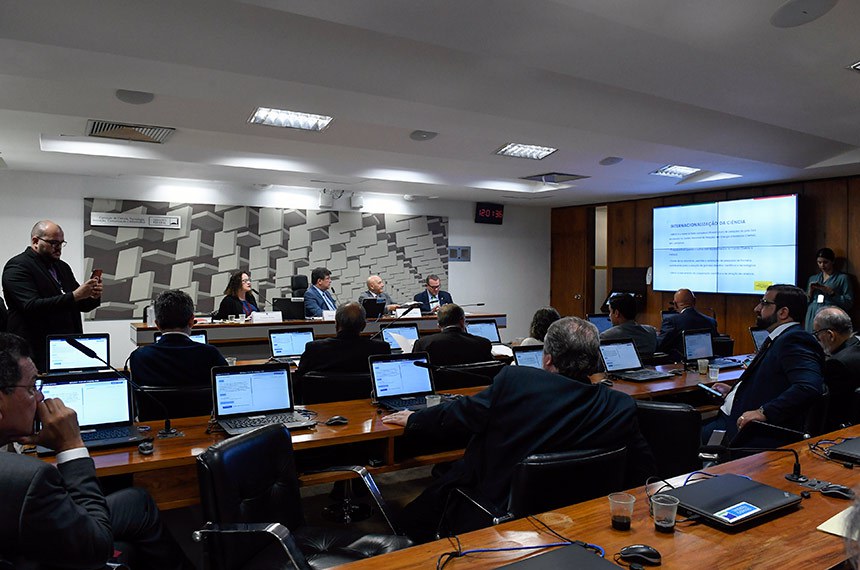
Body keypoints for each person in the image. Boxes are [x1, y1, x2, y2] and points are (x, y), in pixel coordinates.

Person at [383, 317, 655, 542]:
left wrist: (414, 419)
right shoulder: (619, 405)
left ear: (547, 359)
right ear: (596, 358)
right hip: (583, 519)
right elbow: (644, 470)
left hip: (496, 511)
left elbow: (462, 413)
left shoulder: (517, 381)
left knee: (408, 521)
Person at [0, 333, 190, 569]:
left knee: (137, 501)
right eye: (31, 388)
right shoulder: (29, 480)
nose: (40, 397)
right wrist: (71, 446)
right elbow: (96, 545)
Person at [702, 285, 824, 448]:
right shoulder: (781, 338)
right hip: (733, 417)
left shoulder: (794, 339)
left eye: (764, 303)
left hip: (746, 431)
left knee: (678, 435)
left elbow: (808, 386)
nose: (757, 308)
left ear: (783, 312)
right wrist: (734, 391)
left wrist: (764, 412)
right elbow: (772, 381)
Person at [2, 220, 102, 372]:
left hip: (65, 347)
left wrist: (92, 295)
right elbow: (31, 306)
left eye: (62, 243)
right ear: (35, 241)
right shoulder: (17, 266)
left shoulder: (62, 267)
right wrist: (75, 296)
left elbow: (80, 304)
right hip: (34, 349)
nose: (59, 248)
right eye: (54, 243)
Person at [129, 289, 227, 393]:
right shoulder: (210, 354)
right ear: (191, 321)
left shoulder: (139, 357)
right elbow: (225, 387)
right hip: (200, 409)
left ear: (157, 324)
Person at [294, 302, 391, 379]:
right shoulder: (381, 349)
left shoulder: (315, 349)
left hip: (322, 402)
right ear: (363, 326)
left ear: (336, 324)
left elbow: (299, 380)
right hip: (366, 401)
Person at [812, 306, 860, 430]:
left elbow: (830, 412)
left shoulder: (836, 364)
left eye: (817, 334)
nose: (817, 340)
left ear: (830, 335)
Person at [413, 304, 493, 366]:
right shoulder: (483, 343)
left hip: (440, 386)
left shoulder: (424, 343)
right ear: (462, 321)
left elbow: (416, 370)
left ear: (439, 325)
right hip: (478, 386)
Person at [656, 288, 717, 361]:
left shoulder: (671, 321)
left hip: (680, 365)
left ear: (675, 304)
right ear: (694, 301)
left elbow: (659, 346)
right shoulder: (711, 321)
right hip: (706, 365)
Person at [805, 247, 853, 331]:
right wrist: (810, 291)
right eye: (819, 262)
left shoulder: (842, 278)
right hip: (813, 311)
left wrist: (830, 292)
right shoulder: (813, 278)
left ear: (832, 261)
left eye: (825, 262)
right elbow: (806, 300)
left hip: (830, 312)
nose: (822, 265)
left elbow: (848, 302)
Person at [600, 294, 658, 358]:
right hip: (648, 367)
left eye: (610, 312)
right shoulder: (651, 331)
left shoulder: (606, 336)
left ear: (616, 313)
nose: (609, 315)